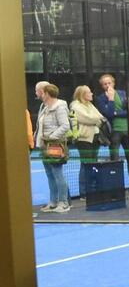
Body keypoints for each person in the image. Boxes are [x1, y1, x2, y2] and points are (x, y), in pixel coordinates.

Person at [95, 73, 129, 195]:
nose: (107, 85)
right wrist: (110, 100)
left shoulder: (123, 94)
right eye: (104, 84)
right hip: (114, 133)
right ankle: (117, 190)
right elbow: (108, 113)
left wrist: (117, 113)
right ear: (102, 86)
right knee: (114, 161)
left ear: (113, 83)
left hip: (128, 131)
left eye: (109, 83)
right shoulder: (101, 99)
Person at [35, 83, 71, 213]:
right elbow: (40, 126)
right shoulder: (43, 107)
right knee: (50, 175)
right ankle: (53, 202)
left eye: (40, 92)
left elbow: (65, 126)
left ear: (46, 93)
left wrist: (51, 137)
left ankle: (64, 202)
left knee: (57, 174)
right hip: (44, 146)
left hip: (55, 145)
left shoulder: (60, 107)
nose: (38, 95)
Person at [70, 85, 105, 199]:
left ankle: (92, 190)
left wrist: (95, 119)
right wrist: (96, 120)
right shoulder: (75, 106)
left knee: (93, 164)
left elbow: (101, 118)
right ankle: (84, 193)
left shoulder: (90, 105)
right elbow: (88, 118)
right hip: (84, 139)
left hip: (95, 138)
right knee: (86, 165)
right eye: (89, 92)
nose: (92, 94)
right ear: (82, 95)